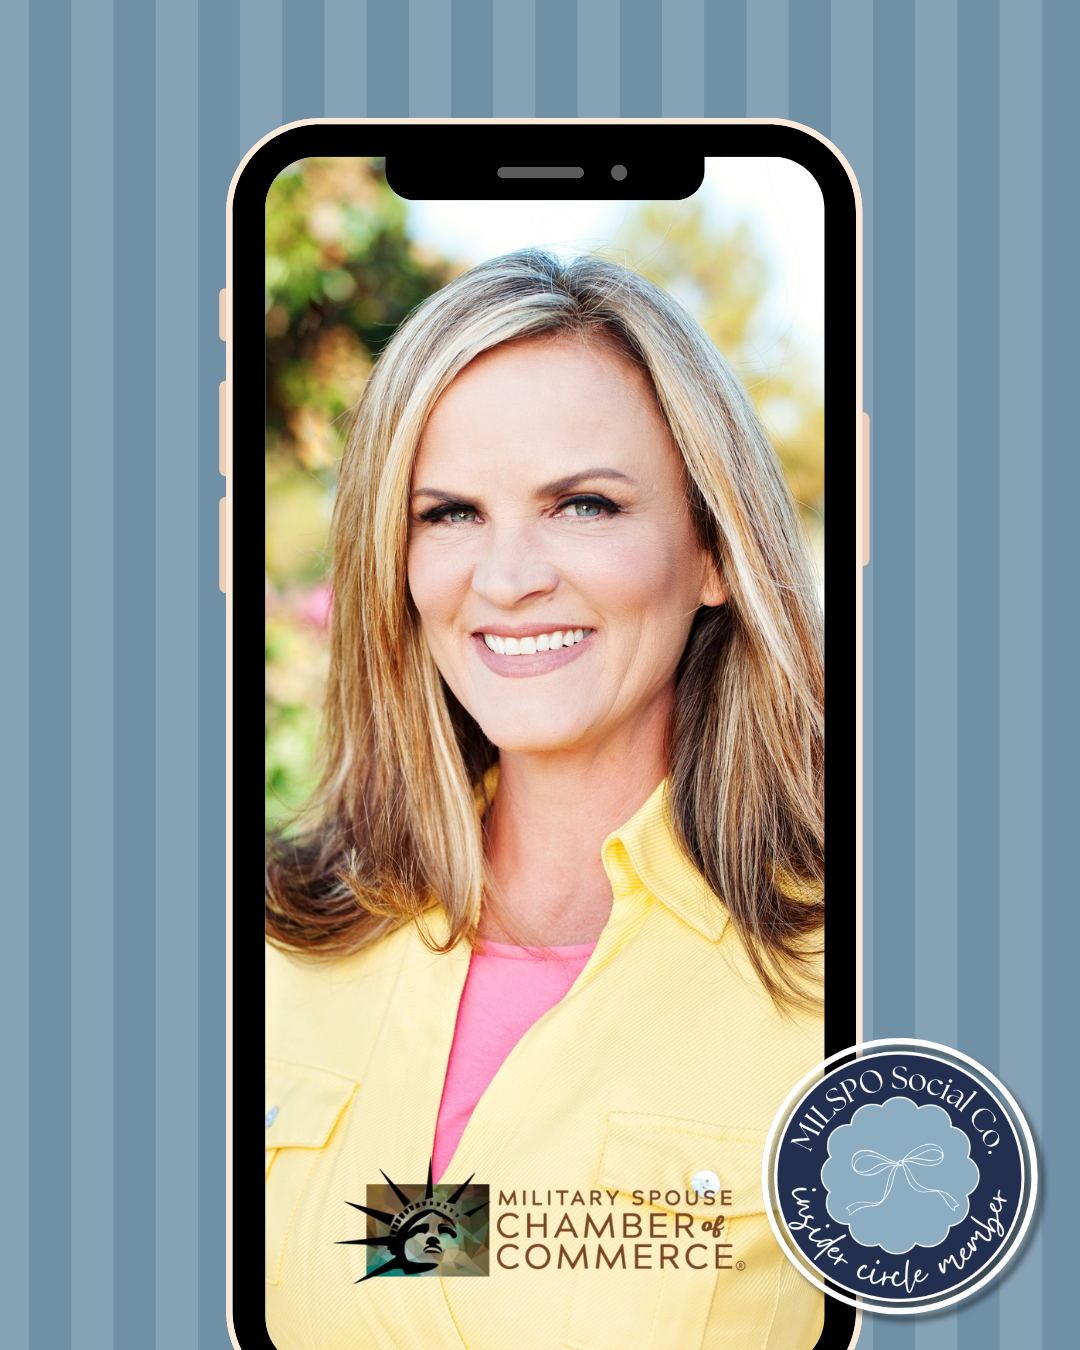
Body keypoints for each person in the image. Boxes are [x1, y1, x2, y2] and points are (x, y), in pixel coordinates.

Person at [265, 250, 825, 1349]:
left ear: (714, 550)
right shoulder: (276, 944)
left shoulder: (856, 982)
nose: (509, 576)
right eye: (450, 513)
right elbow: (420, 1261)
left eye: (583, 503)